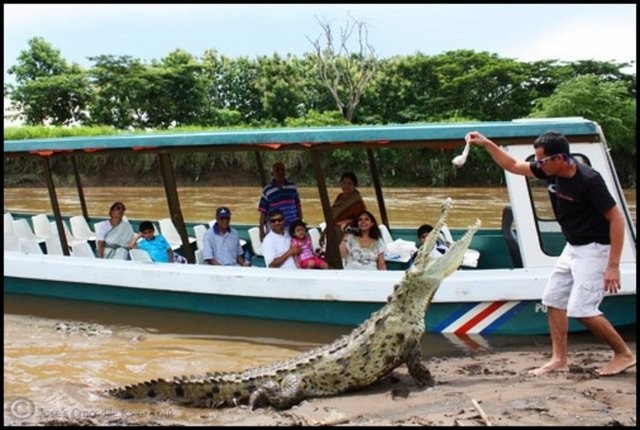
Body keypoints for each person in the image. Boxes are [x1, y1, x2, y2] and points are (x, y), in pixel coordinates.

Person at [465, 129, 635, 377]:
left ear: (560, 159)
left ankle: (624, 354)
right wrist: (487, 143)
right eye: (537, 159)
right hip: (573, 247)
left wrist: (613, 265)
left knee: (582, 309)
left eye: (542, 160)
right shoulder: (548, 170)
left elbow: (616, 219)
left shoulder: (588, 181)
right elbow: (512, 165)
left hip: (596, 249)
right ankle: (559, 359)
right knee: (553, 299)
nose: (538, 164)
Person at [258, 162, 303, 241]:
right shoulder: (268, 190)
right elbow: (263, 212)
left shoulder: (292, 187)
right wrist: (261, 231)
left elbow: (298, 206)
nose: (280, 172)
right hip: (275, 226)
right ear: (272, 173)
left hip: (292, 225)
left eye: (282, 170)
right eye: (277, 170)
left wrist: (300, 222)